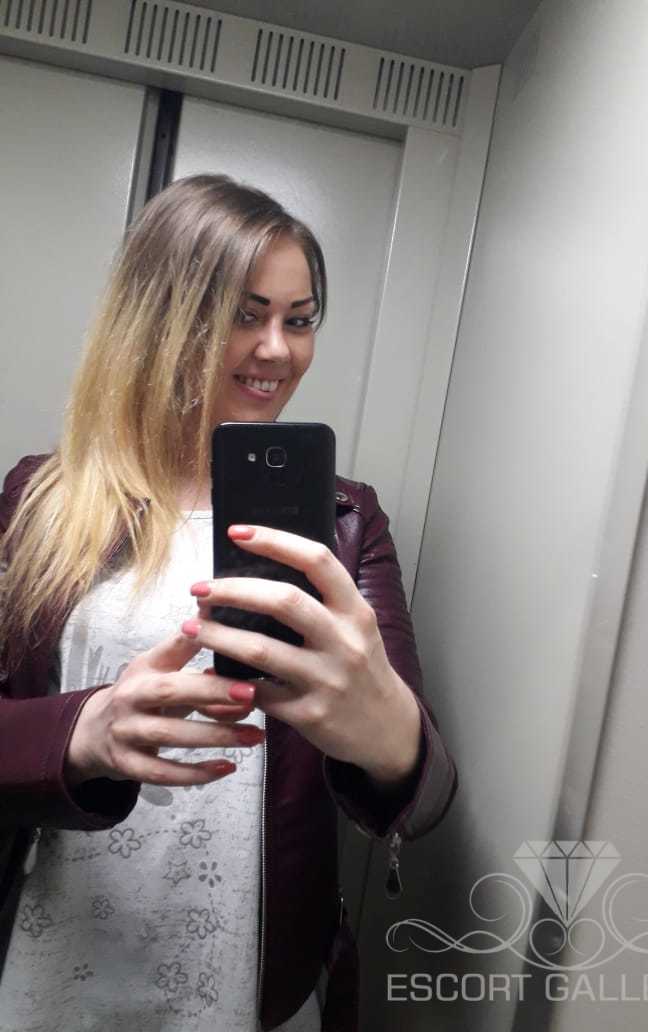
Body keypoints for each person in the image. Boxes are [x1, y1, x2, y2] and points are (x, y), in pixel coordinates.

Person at [0, 174, 457, 1031]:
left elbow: (425, 793)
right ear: (162, 318)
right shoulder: (40, 501)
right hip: (55, 955)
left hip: (250, 978)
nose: (277, 350)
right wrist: (84, 732)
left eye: (299, 319)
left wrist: (391, 734)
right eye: (245, 315)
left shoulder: (345, 522)